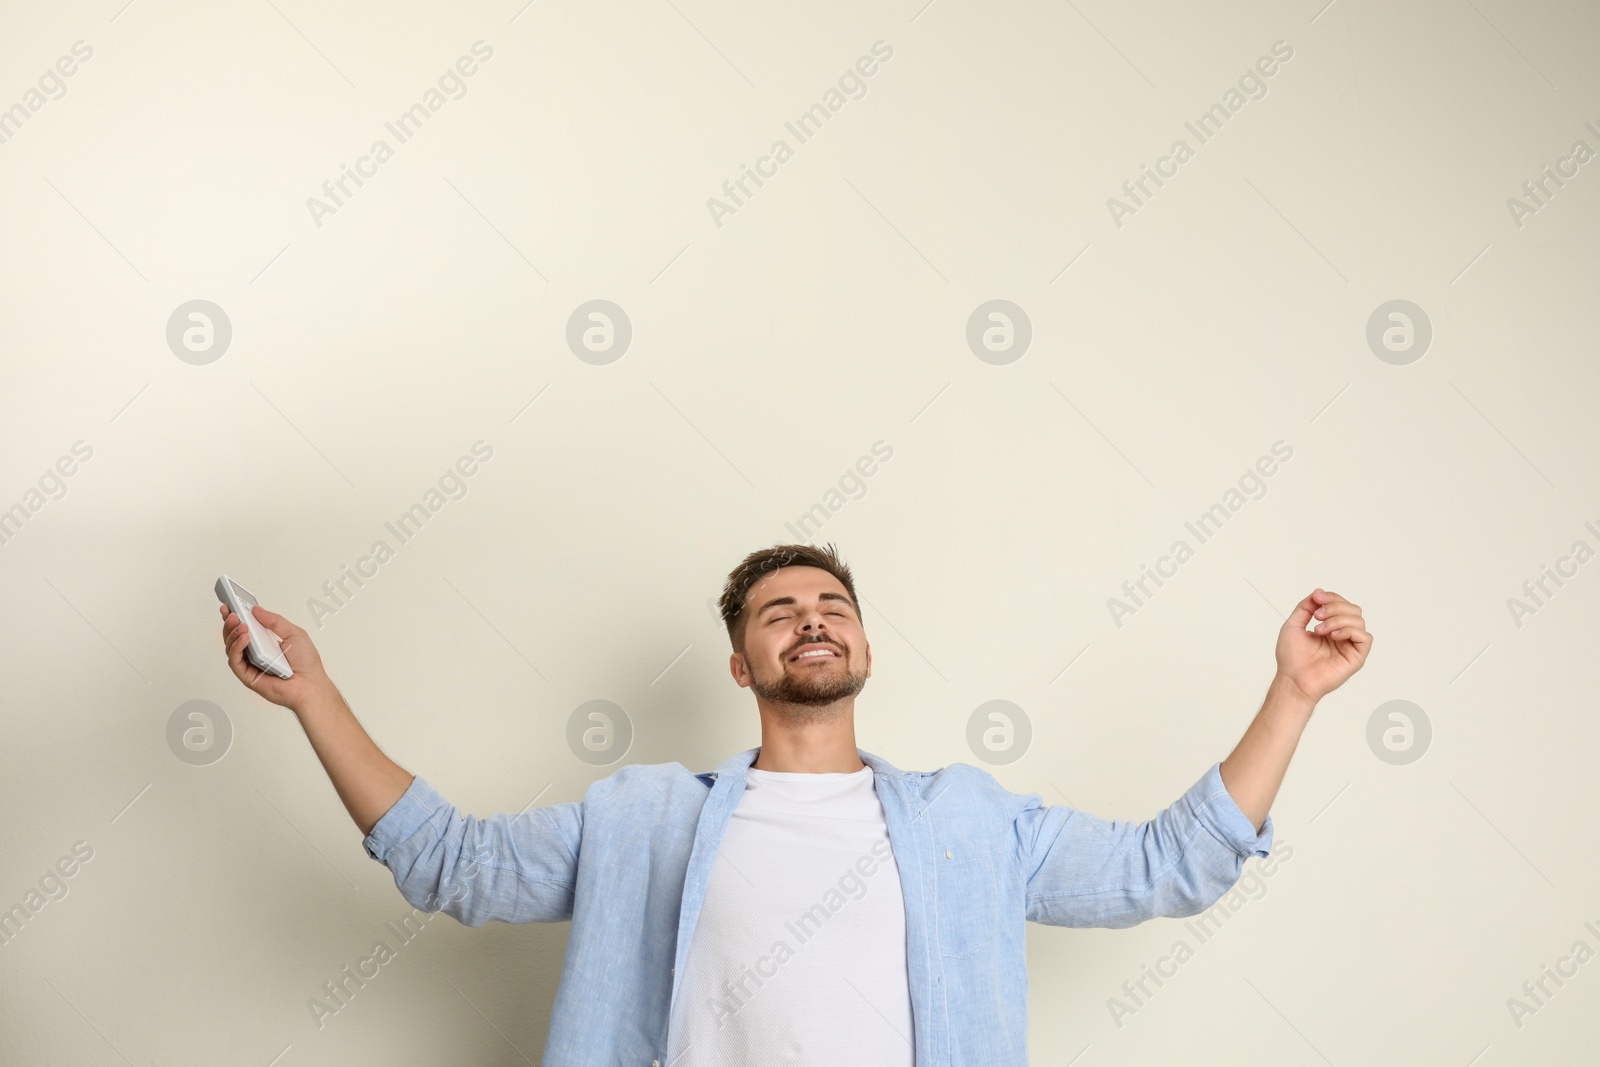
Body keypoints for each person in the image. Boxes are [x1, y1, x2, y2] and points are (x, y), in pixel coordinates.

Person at [218, 542, 1371, 1066]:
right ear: (740, 664)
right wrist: (315, 696)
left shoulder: (972, 821)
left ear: (863, 641)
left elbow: (1167, 866)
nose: (810, 617)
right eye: (777, 610)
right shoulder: (645, 817)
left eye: (831, 601)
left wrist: (1292, 691)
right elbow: (450, 861)